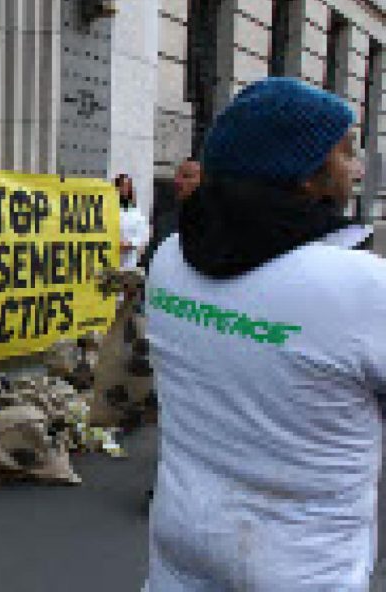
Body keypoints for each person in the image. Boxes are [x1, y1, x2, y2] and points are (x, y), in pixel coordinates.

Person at [145, 77, 379, 590]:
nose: (356, 170)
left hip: (181, 539)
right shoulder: (362, 288)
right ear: (305, 176)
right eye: (345, 154)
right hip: (302, 563)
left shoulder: (169, 259)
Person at [141, 159, 201, 271]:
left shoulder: (219, 224)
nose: (177, 181)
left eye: (186, 176)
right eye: (177, 176)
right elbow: (148, 261)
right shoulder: (164, 222)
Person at [115, 173, 150, 270]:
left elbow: (144, 235)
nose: (124, 190)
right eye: (121, 186)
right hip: (108, 260)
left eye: (127, 186)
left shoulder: (136, 212)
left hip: (128, 262)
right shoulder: (106, 209)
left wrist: (130, 243)